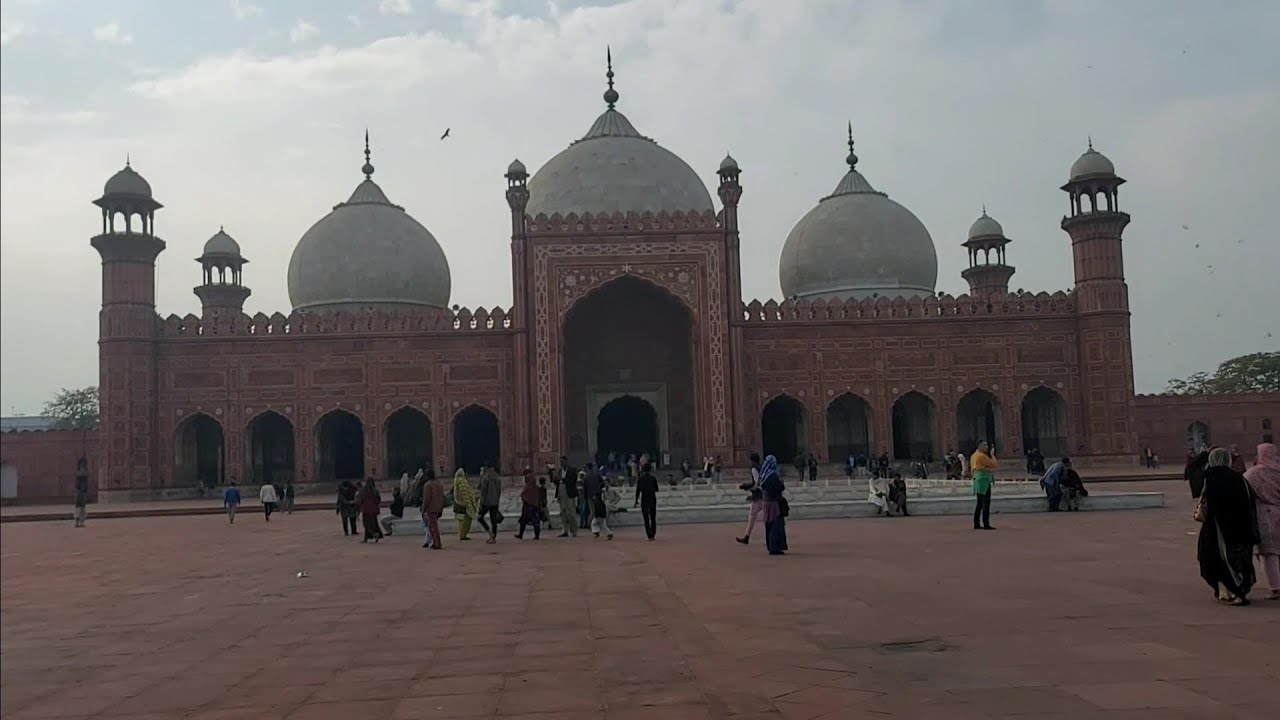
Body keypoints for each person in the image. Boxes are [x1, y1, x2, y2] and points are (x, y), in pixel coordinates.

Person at [1197, 447, 1259, 606]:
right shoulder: (1239, 478)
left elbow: (1204, 499)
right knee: (1240, 560)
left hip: (1218, 528)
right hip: (1241, 528)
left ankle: (1230, 593)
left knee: (1216, 560)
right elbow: (1250, 502)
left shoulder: (1209, 477)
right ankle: (1239, 590)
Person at [1244, 443, 1280, 600]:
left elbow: (1243, 489)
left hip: (1264, 516)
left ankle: (1276, 588)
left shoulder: (1254, 474)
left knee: (1268, 553)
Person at [759, 455, 788, 555]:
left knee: (769, 525)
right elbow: (777, 488)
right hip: (773, 503)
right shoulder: (772, 475)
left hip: (766, 502)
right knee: (775, 525)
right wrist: (781, 484)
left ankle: (771, 546)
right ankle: (775, 547)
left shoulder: (764, 475)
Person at [736, 453, 764, 545]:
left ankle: (747, 537)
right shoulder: (762, 467)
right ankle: (769, 538)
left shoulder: (754, 469)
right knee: (766, 517)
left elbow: (756, 483)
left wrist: (746, 487)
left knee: (752, 516)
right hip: (765, 495)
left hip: (758, 496)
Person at [970, 441, 997, 530]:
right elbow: (993, 464)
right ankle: (986, 523)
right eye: (985, 445)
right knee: (986, 502)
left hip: (977, 478)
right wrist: (992, 455)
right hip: (984, 479)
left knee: (980, 503)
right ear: (980, 446)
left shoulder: (974, 455)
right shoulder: (982, 456)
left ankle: (976, 522)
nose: (987, 447)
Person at [584, 465, 612, 540]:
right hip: (597, 497)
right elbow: (602, 483)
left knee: (594, 516)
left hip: (591, 497)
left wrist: (586, 496)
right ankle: (603, 532)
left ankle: (597, 531)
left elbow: (585, 488)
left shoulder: (586, 477)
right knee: (601, 522)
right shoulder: (597, 475)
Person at [452, 469, 480, 541]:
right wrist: (472, 501)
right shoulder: (462, 481)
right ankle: (463, 535)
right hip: (465, 505)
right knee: (466, 520)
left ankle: (462, 534)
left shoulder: (456, 481)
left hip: (458, 504)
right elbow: (466, 493)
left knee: (461, 520)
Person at [478, 466, 503, 544]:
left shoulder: (486, 478)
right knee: (493, 520)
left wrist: (480, 505)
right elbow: (499, 491)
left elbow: (482, 492)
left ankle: (491, 534)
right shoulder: (498, 479)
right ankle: (493, 537)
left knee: (480, 517)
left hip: (486, 502)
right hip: (495, 502)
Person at [421, 470, 444, 549]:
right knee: (433, 526)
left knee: (433, 527)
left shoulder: (428, 485)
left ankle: (437, 543)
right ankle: (435, 542)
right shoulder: (439, 484)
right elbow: (442, 497)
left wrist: (423, 508)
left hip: (431, 508)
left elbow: (426, 498)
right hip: (438, 507)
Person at [635, 461, 659, 540]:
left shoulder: (641, 479)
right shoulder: (653, 478)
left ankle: (649, 535)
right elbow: (656, 489)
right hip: (652, 498)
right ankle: (653, 533)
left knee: (646, 518)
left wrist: (636, 500)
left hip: (644, 499)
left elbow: (638, 491)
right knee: (653, 517)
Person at [514, 471, 542, 540]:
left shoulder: (529, 487)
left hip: (528, 506)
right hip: (533, 506)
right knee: (531, 520)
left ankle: (522, 534)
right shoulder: (535, 487)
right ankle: (535, 535)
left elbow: (524, 495)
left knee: (530, 520)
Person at [552, 466, 577, 538]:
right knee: (563, 513)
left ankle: (573, 530)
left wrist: (562, 479)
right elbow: (557, 482)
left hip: (569, 493)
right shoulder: (560, 471)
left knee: (571, 513)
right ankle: (565, 530)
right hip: (561, 493)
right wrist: (555, 478)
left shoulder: (571, 470)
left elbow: (572, 480)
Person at [357, 477, 383, 542]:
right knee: (374, 523)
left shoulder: (364, 490)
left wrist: (359, 507)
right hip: (374, 510)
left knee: (366, 524)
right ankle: (375, 534)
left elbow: (360, 500)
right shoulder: (375, 490)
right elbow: (378, 500)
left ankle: (368, 537)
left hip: (366, 510)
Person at [72, 459, 90, 528]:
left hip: (81, 492)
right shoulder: (82, 474)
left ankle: (80, 522)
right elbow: (79, 484)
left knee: (81, 508)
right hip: (80, 492)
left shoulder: (80, 474)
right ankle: (79, 522)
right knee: (80, 508)